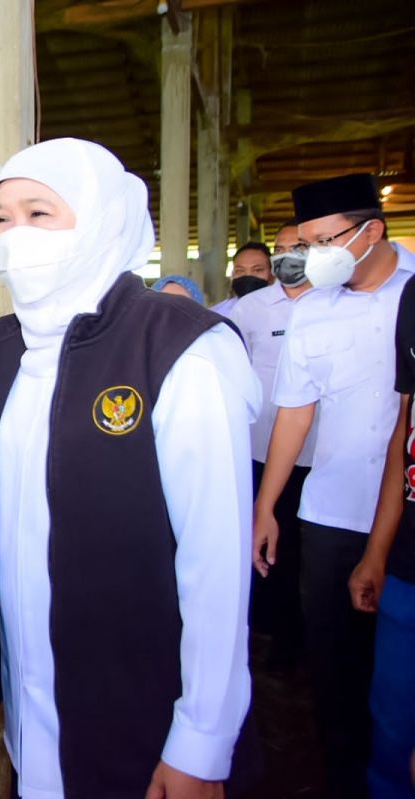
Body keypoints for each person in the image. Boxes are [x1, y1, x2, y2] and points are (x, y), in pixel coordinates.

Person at [0, 138, 259, 799]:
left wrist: (202, 740)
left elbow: (216, 563)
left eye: (40, 213)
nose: (15, 235)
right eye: (2, 219)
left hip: (138, 715)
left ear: (102, 220)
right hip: (30, 704)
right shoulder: (1, 355)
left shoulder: (180, 349)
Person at [253, 173, 414, 798]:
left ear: (371, 231)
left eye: (326, 240)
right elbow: (295, 413)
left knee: (398, 668)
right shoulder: (313, 311)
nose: (313, 256)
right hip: (333, 515)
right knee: (334, 665)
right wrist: (266, 507)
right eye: (308, 242)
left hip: (409, 518)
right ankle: (347, 779)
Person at [228, 221, 312, 671]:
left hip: (326, 454)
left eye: (296, 247)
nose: (287, 256)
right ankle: (276, 632)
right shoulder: (252, 308)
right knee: (270, 541)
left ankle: (310, 631)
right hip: (262, 447)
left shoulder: (339, 304)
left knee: (312, 547)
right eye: (280, 249)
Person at [351, 275, 415, 799]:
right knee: (391, 723)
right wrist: (376, 553)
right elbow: (405, 431)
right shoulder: (414, 298)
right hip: (408, 568)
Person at [210, 242, 274, 316]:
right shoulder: (216, 316)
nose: (248, 275)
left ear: (272, 274)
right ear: (233, 274)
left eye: (257, 270)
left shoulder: (286, 312)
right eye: (240, 271)